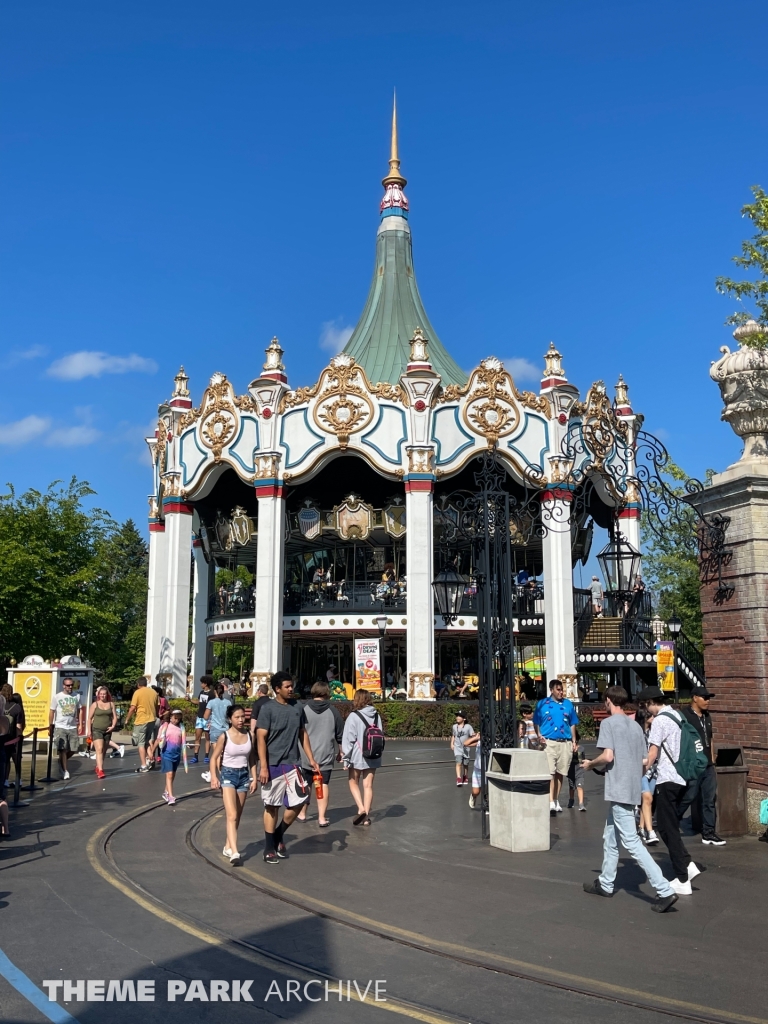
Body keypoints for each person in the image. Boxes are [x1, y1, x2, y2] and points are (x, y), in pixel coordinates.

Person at [582, 685, 678, 913]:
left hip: (619, 789)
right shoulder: (635, 726)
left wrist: (590, 764)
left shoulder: (608, 724)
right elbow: (645, 761)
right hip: (632, 787)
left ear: (608, 700)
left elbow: (608, 756)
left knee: (632, 842)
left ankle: (664, 889)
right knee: (610, 836)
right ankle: (606, 883)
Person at [256, 671, 319, 864]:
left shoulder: (297, 707)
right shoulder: (267, 709)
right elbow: (260, 738)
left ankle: (277, 834)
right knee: (272, 806)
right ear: (277, 689)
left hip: (293, 764)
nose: (291, 689)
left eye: (292, 686)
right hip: (273, 765)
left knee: (301, 800)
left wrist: (311, 758)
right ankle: (269, 848)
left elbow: (302, 733)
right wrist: (263, 766)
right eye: (287, 686)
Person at [645, 689, 701, 896]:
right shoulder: (677, 715)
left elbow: (653, 753)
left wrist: (641, 771)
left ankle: (682, 879)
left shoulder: (660, 721)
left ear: (651, 702)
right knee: (666, 826)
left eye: (646, 705)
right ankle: (687, 864)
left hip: (668, 778)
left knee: (667, 827)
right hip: (683, 777)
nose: (646, 710)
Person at [210, 704, 257, 863]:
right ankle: (235, 852)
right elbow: (214, 758)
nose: (241, 720)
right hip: (228, 775)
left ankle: (228, 846)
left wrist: (254, 778)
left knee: (238, 815)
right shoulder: (224, 736)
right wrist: (214, 777)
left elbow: (252, 758)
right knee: (232, 814)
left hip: (244, 776)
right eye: (237, 717)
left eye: (243, 716)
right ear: (230, 719)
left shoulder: (250, 735)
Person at [679, 685, 725, 846]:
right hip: (693, 765)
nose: (707, 701)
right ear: (694, 698)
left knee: (709, 799)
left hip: (708, 765)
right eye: (704, 698)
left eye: (709, 698)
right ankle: (672, 822)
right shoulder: (684, 715)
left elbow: (710, 738)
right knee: (689, 796)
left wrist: (712, 758)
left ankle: (709, 833)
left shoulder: (707, 716)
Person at [297, 682, 344, 826]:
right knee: (323, 784)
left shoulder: (303, 708)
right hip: (325, 753)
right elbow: (340, 734)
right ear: (327, 693)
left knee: (306, 783)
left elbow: (297, 730)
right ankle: (322, 818)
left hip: (306, 755)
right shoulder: (333, 711)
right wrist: (341, 751)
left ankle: (302, 813)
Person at [533, 679, 579, 814]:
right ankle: (550, 802)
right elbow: (536, 721)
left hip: (565, 742)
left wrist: (574, 741)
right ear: (551, 690)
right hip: (549, 743)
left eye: (562, 690)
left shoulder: (568, 704)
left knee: (560, 773)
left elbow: (572, 723)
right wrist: (539, 735)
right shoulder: (542, 704)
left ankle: (556, 798)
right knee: (550, 773)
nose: (561, 692)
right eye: (558, 690)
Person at [341, 689, 383, 825]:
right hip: (373, 754)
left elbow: (349, 739)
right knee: (368, 786)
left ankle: (361, 809)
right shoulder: (376, 715)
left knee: (353, 782)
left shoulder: (353, 716)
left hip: (357, 755)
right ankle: (366, 818)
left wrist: (346, 759)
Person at [49, 678, 84, 780]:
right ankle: (65, 770)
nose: (70, 687)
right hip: (60, 726)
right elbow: (52, 711)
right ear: (63, 686)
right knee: (63, 749)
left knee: (74, 748)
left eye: (71, 685)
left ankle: (61, 761)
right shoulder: (57, 697)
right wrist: (50, 725)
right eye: (68, 685)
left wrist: (80, 724)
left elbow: (80, 710)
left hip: (72, 726)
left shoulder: (77, 696)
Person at [636, 703, 659, 845]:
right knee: (647, 797)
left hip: (654, 769)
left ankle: (641, 827)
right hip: (641, 769)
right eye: (651, 716)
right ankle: (650, 832)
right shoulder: (637, 733)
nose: (653, 718)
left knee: (648, 801)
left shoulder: (654, 732)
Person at [127, 679, 159, 773]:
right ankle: (151, 758)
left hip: (141, 720)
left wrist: (127, 719)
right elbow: (157, 706)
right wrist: (155, 714)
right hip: (152, 719)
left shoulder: (137, 692)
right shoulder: (153, 692)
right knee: (147, 741)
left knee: (140, 743)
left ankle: (143, 765)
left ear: (138, 684)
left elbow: (133, 707)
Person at [157, 708, 188, 804]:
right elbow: (158, 739)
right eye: (175, 718)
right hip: (166, 754)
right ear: (171, 717)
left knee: (172, 774)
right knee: (169, 774)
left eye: (178, 719)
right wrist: (151, 752)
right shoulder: (165, 726)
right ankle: (170, 797)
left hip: (176, 754)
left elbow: (183, 742)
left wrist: (188, 746)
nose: (176, 720)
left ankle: (166, 792)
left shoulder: (181, 728)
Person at [87, 686, 118, 780]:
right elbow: (89, 718)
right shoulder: (95, 704)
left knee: (104, 751)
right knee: (99, 749)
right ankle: (100, 770)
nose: (102, 696)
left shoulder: (111, 704)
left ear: (107, 695)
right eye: (101, 694)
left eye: (104, 694)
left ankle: (98, 766)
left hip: (108, 730)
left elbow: (115, 717)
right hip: (97, 730)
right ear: (98, 695)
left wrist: (113, 726)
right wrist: (89, 731)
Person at [190, 676, 214, 765]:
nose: (201, 684)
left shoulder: (212, 694)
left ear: (206, 683)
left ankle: (206, 756)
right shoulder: (201, 692)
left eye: (202, 683)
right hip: (200, 718)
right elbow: (199, 702)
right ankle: (195, 756)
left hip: (208, 718)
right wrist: (190, 700)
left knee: (207, 737)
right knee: (197, 737)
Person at [204, 683, 233, 749]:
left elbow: (205, 717)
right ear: (223, 691)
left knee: (216, 753)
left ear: (215, 691)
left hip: (215, 729)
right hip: (226, 730)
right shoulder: (228, 702)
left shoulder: (211, 702)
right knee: (225, 752)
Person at [450, 711, 474, 786]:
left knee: (465, 764)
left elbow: (472, 735)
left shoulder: (468, 727)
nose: (457, 717)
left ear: (464, 718)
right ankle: (459, 778)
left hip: (466, 748)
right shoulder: (454, 726)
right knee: (458, 762)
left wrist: (475, 736)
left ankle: (465, 776)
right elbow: (454, 735)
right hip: (457, 748)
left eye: (459, 716)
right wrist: (452, 743)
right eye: (457, 716)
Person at [567, 729, 586, 810]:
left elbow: (583, 759)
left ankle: (581, 804)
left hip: (579, 771)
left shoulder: (581, 749)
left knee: (579, 786)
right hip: (570, 771)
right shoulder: (568, 749)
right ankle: (571, 800)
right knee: (571, 787)